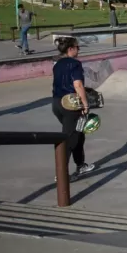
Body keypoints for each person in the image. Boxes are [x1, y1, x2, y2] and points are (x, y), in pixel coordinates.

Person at [51, 37, 95, 177]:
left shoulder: (57, 64)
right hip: (70, 105)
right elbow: (77, 85)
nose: (79, 50)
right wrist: (85, 104)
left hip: (57, 103)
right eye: (77, 47)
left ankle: (80, 165)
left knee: (78, 134)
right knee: (70, 138)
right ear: (70, 49)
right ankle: (61, 174)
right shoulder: (75, 64)